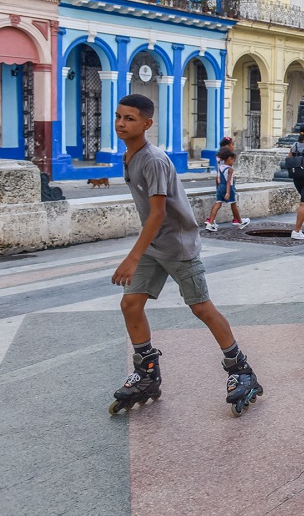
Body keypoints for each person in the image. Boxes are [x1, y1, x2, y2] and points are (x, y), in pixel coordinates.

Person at [108, 94, 261, 416]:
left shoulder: (153, 159)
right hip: (154, 245)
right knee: (130, 303)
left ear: (147, 124)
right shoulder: (129, 155)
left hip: (177, 245)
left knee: (201, 307)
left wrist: (132, 257)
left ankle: (240, 369)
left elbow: (157, 213)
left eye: (130, 118)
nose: (121, 123)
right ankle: (147, 371)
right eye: (119, 117)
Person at [204, 147, 250, 232]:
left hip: (220, 187)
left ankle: (210, 223)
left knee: (217, 204)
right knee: (233, 205)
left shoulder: (220, 167)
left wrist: (218, 189)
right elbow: (229, 181)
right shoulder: (230, 169)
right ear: (229, 159)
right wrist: (228, 192)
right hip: (228, 188)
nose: (233, 163)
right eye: (233, 160)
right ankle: (240, 222)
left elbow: (217, 178)